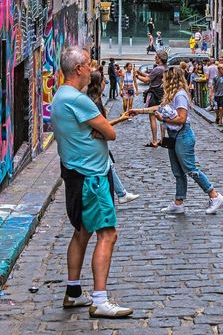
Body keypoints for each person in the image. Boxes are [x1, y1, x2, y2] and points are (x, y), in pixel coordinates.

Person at [51, 46, 132, 318]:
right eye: (89, 64)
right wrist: (99, 130)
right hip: (91, 177)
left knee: (82, 232)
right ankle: (100, 299)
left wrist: (93, 131)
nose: (92, 68)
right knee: (108, 234)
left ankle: (73, 293)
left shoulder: (59, 96)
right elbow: (110, 132)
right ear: (78, 69)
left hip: (74, 173)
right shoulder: (79, 100)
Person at [129, 67, 223, 215]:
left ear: (171, 79)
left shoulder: (180, 95)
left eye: (165, 78)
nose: (162, 80)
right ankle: (178, 202)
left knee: (190, 168)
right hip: (173, 135)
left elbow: (181, 118)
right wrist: (139, 111)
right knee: (177, 171)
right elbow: (159, 108)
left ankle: (214, 195)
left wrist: (163, 119)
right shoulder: (171, 95)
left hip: (183, 135)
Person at [86, 71, 140, 204]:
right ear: (100, 84)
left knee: (109, 165)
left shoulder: (91, 100)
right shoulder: (94, 102)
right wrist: (120, 119)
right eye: (104, 81)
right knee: (107, 166)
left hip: (96, 143)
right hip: (95, 143)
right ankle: (118, 195)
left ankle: (121, 193)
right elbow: (101, 127)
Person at [135, 51, 168, 147]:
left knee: (152, 116)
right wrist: (140, 73)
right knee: (163, 117)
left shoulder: (157, 68)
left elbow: (147, 80)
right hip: (162, 93)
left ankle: (154, 140)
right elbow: (151, 76)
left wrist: (137, 76)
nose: (155, 58)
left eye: (156, 57)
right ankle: (162, 139)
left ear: (159, 58)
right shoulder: (166, 68)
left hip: (154, 93)